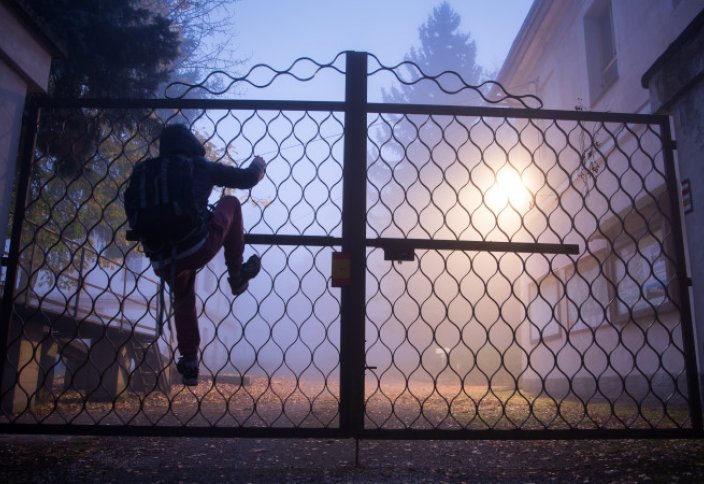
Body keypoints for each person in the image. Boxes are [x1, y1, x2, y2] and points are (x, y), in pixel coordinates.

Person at [136, 124, 266, 386]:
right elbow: (247, 179)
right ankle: (236, 274)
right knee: (231, 203)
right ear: (190, 145)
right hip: (196, 246)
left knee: (183, 296)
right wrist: (259, 165)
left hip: (161, 257)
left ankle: (190, 362)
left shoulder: (148, 170)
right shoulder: (199, 165)